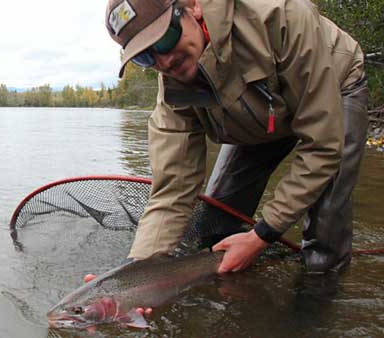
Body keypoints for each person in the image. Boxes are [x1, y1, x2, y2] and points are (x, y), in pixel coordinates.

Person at [104, 0, 368, 274]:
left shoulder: (282, 16)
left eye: (165, 38)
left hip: (336, 86)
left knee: (323, 245)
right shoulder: (173, 94)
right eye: (145, 56)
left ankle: (315, 306)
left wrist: (262, 235)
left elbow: (323, 146)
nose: (164, 60)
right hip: (263, 116)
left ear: (192, 7)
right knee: (215, 228)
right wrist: (133, 274)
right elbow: (173, 189)